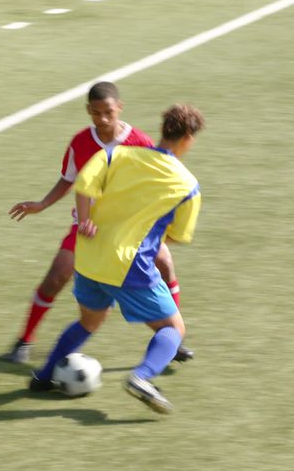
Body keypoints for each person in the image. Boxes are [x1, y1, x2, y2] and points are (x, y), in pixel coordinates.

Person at [28, 104, 205, 414]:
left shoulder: (115, 154)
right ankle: (143, 377)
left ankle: (43, 377)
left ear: (163, 128)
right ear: (188, 138)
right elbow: (177, 236)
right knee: (174, 330)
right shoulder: (188, 185)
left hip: (88, 256)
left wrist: (86, 220)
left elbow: (83, 184)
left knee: (89, 321)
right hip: (129, 264)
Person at [5, 81, 192, 364]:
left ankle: (173, 340)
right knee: (55, 278)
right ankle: (24, 340)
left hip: (128, 232)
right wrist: (42, 204)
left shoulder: (139, 142)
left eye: (108, 112)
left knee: (165, 263)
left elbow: (153, 185)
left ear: (119, 107)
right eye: (95, 113)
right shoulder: (80, 142)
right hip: (85, 228)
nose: (102, 119)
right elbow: (69, 179)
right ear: (88, 111)